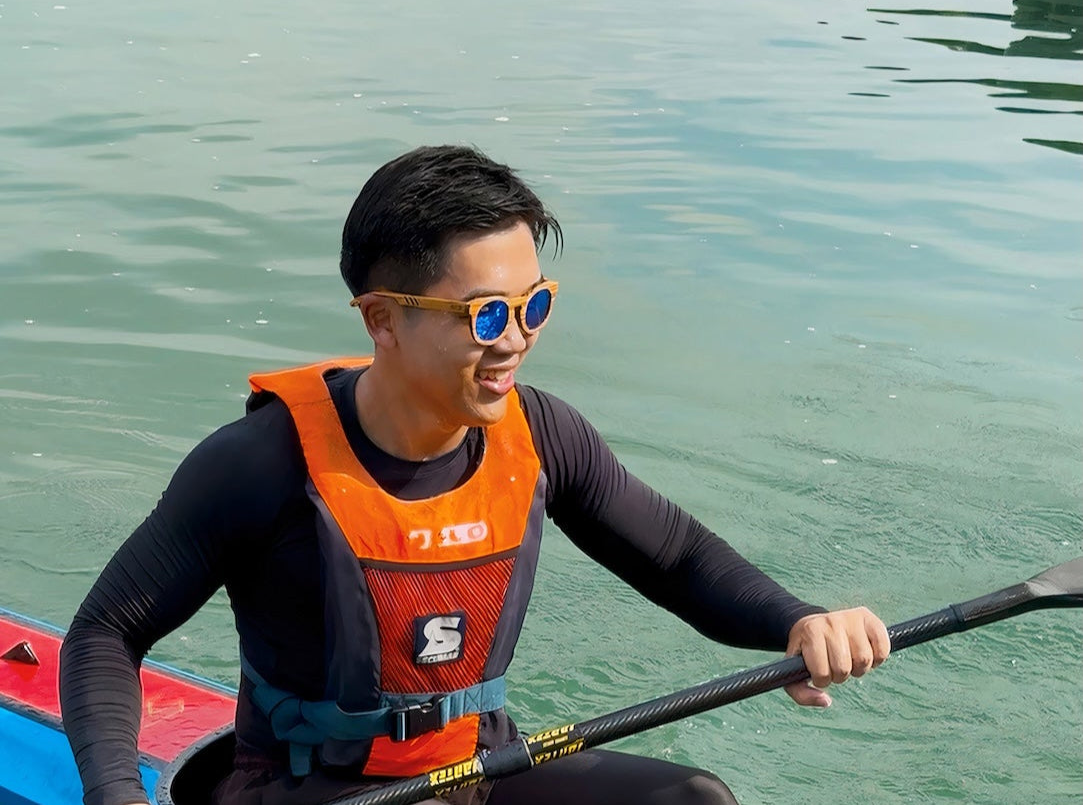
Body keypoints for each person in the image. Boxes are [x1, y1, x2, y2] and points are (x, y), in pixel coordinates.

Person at [60, 145, 891, 805]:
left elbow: (675, 558)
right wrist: (115, 794)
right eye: (486, 314)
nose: (517, 339)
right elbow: (106, 633)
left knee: (692, 796)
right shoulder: (260, 464)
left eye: (535, 305)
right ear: (382, 318)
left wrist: (799, 622)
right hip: (304, 786)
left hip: (477, 770)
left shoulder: (546, 435)